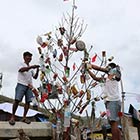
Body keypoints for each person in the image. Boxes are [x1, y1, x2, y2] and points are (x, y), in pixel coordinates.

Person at [87, 62, 122, 140]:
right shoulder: (105, 79)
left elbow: (103, 69)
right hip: (109, 103)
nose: (106, 69)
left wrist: (92, 66)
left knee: (114, 123)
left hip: (114, 102)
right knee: (112, 123)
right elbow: (95, 78)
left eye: (108, 68)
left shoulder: (116, 76)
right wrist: (88, 70)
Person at [9, 51, 40, 125]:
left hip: (29, 86)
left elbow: (35, 77)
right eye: (28, 56)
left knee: (28, 102)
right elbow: (21, 70)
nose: (29, 58)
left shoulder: (31, 69)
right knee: (17, 100)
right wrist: (32, 67)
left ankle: (24, 117)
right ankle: (12, 117)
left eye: (30, 57)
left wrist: (38, 70)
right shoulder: (21, 64)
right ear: (24, 57)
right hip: (21, 84)